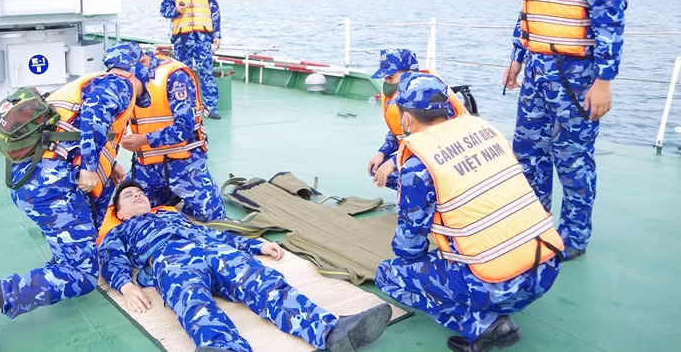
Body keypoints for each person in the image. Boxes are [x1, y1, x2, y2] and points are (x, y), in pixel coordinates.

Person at [0, 42, 153, 352]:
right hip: (51, 186)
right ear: (140, 68)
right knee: (83, 275)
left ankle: (60, 265)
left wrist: (108, 165)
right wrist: (89, 167)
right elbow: (95, 116)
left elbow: (71, 129)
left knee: (82, 242)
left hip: (35, 179)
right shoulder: (121, 82)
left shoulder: (95, 80)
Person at [375, 73, 563, 352]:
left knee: (389, 274)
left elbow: (409, 247)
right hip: (546, 266)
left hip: (497, 286)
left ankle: (482, 325)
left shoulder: (418, 165)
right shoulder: (485, 131)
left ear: (405, 119)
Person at [99, 181, 392, 352]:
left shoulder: (172, 217)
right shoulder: (120, 230)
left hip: (215, 250)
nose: (138, 195)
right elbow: (110, 258)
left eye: (140, 193)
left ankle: (331, 330)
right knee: (192, 303)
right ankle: (225, 348)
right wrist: (126, 284)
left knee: (263, 282)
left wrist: (257, 245)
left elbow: (213, 233)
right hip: (169, 259)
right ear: (120, 213)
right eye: (129, 195)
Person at [504, 0, 627, 261]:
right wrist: (517, 58)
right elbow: (531, 14)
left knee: (572, 158)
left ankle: (573, 237)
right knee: (527, 154)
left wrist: (603, 82)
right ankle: (535, 229)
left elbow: (610, 21)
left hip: (576, 76)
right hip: (538, 71)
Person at [119, 50, 226, 222]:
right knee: (128, 213)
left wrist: (144, 139)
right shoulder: (121, 84)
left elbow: (184, 127)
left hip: (184, 164)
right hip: (147, 167)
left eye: (128, 76)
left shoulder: (176, 76)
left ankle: (178, 195)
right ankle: (169, 195)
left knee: (213, 218)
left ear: (142, 62)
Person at [368, 49, 468, 191]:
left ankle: (431, 199)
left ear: (409, 75)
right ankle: (413, 194)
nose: (386, 83)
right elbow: (397, 132)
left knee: (409, 175)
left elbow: (436, 141)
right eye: (384, 79)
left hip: (446, 155)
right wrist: (382, 153)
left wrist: (394, 162)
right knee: (377, 169)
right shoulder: (401, 97)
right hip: (415, 149)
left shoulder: (429, 96)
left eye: (390, 78)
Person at [160, 0, 223, 119]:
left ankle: (211, 107)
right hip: (182, 39)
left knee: (206, 72)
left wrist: (217, 35)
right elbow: (163, 10)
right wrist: (176, 10)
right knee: (182, 73)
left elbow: (215, 11)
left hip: (202, 37)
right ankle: (184, 107)